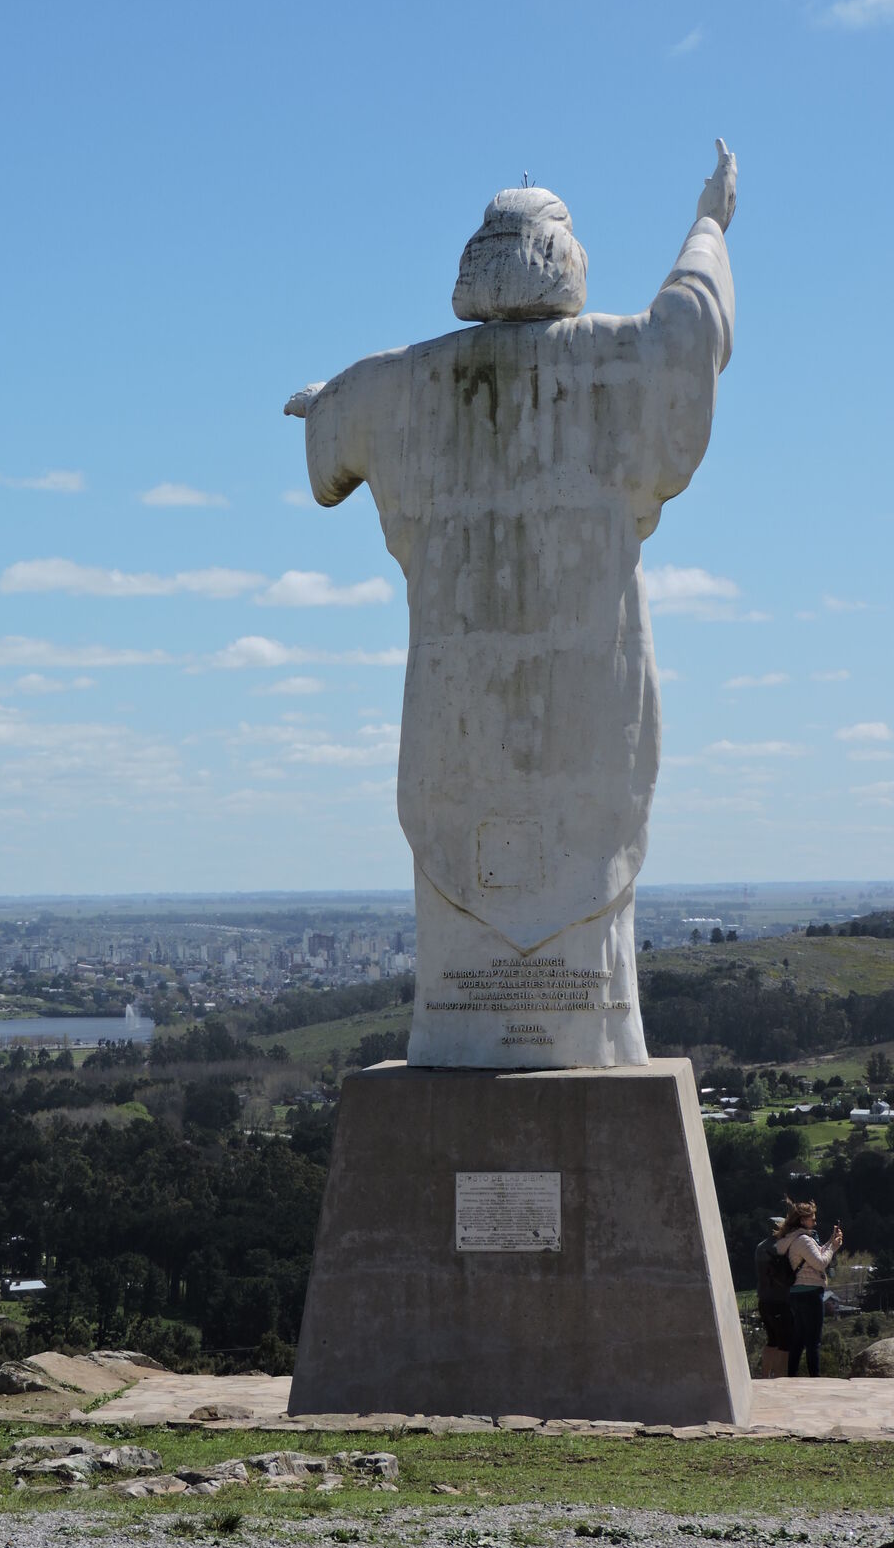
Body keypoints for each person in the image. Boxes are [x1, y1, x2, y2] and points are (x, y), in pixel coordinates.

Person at [285, 141, 736, 1070]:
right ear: (563, 258)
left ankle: (465, 1034)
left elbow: (331, 442)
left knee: (462, 918)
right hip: (589, 723)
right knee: (588, 934)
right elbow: (688, 326)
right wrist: (708, 225)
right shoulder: (616, 359)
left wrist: (326, 405)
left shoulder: (395, 379)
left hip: (455, 732)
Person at [775, 1199, 843, 1378]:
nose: (815, 1222)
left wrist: (830, 1242)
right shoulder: (803, 1240)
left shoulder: (793, 1239)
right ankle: (815, 1378)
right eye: (812, 1219)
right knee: (813, 1341)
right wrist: (833, 1248)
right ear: (803, 1220)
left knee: (798, 1338)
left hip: (797, 1293)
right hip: (810, 1293)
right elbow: (820, 1263)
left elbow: (818, 1253)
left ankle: (792, 1375)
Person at [754, 1217, 794, 1378]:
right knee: (785, 1343)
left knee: (772, 1340)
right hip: (780, 1300)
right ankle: (781, 1377)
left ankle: (765, 1375)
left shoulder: (760, 1247)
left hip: (764, 1299)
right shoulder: (780, 1248)